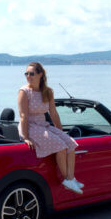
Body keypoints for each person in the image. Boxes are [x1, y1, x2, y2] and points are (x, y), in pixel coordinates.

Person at [17, 62, 84, 194]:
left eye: (31, 74)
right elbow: (23, 116)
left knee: (71, 143)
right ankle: (67, 179)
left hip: (43, 125)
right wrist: (25, 137)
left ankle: (71, 178)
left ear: (40, 75)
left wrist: (60, 131)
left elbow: (53, 113)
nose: (28, 76)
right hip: (30, 126)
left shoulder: (48, 92)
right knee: (61, 146)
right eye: (26, 74)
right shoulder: (24, 92)